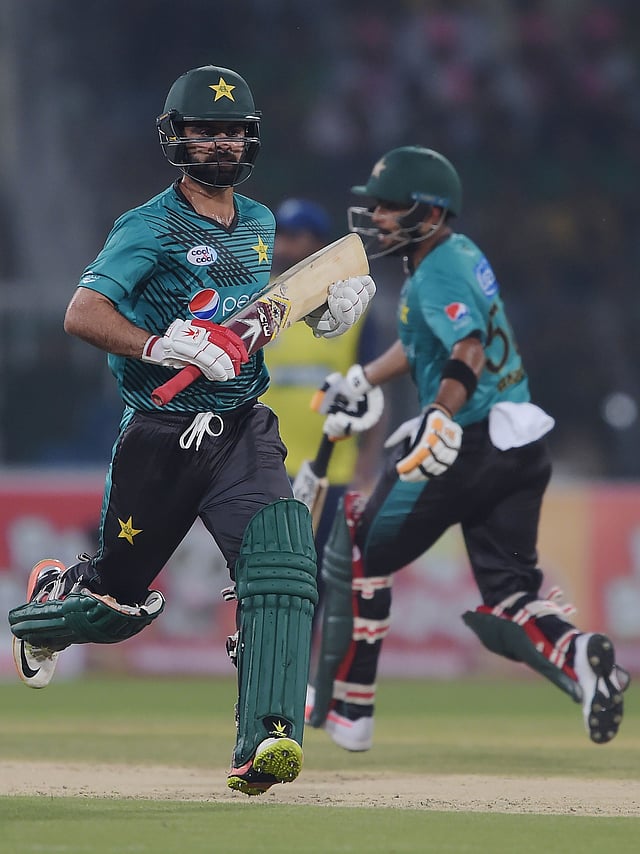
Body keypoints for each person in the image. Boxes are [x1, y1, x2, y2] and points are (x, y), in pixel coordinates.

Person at [7, 64, 375, 796]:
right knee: (116, 605)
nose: (221, 143)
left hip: (242, 425)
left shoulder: (263, 224)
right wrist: (160, 345)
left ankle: (266, 737)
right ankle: (48, 607)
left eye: (233, 131)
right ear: (176, 138)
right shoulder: (148, 227)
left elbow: (261, 316)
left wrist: (324, 314)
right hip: (162, 434)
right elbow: (82, 313)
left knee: (282, 561)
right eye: (206, 132)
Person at [305, 145, 630, 752]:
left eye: (390, 206)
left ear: (430, 212)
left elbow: (468, 348)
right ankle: (580, 654)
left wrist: (438, 415)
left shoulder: (438, 272)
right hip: (520, 446)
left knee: (357, 544)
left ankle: (350, 707)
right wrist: (365, 377)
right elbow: (424, 341)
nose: (377, 217)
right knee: (509, 598)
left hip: (465, 445)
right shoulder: (456, 254)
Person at [263, 199, 381, 586]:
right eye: (280, 235)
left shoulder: (353, 306)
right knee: (269, 576)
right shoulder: (259, 302)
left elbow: (372, 384)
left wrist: (367, 459)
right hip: (268, 463)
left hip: (332, 468)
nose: (283, 245)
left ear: (318, 244)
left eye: (294, 236)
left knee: (319, 579)